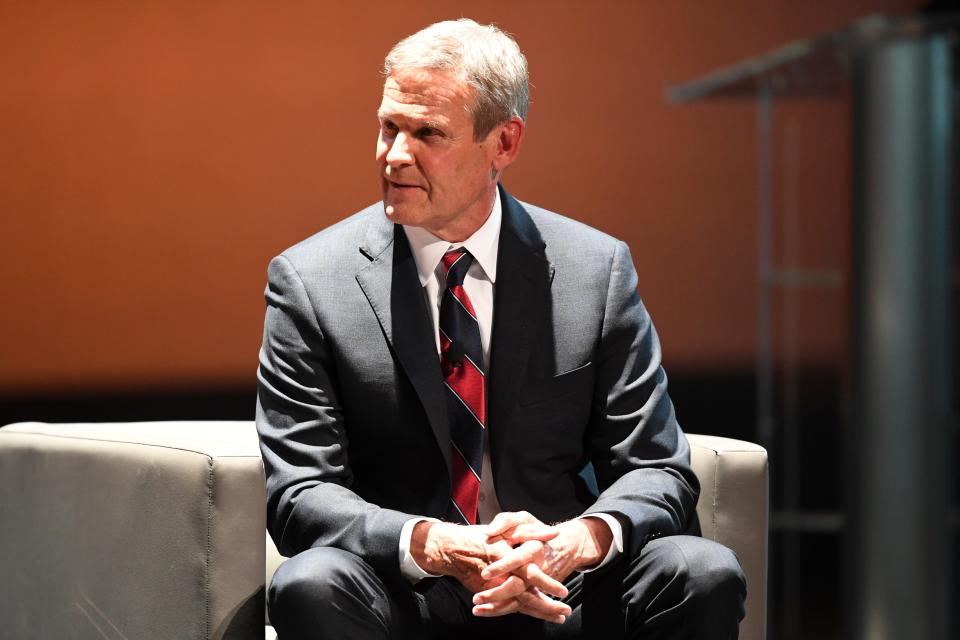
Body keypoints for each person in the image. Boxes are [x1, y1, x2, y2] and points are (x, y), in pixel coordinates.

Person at [256, 18, 746, 640]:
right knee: (311, 583)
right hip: (409, 593)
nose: (394, 155)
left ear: (504, 143)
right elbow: (301, 492)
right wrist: (434, 544)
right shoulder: (310, 281)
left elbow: (658, 469)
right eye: (388, 126)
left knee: (701, 570)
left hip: (559, 589)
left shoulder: (593, 271)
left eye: (427, 133)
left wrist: (576, 542)